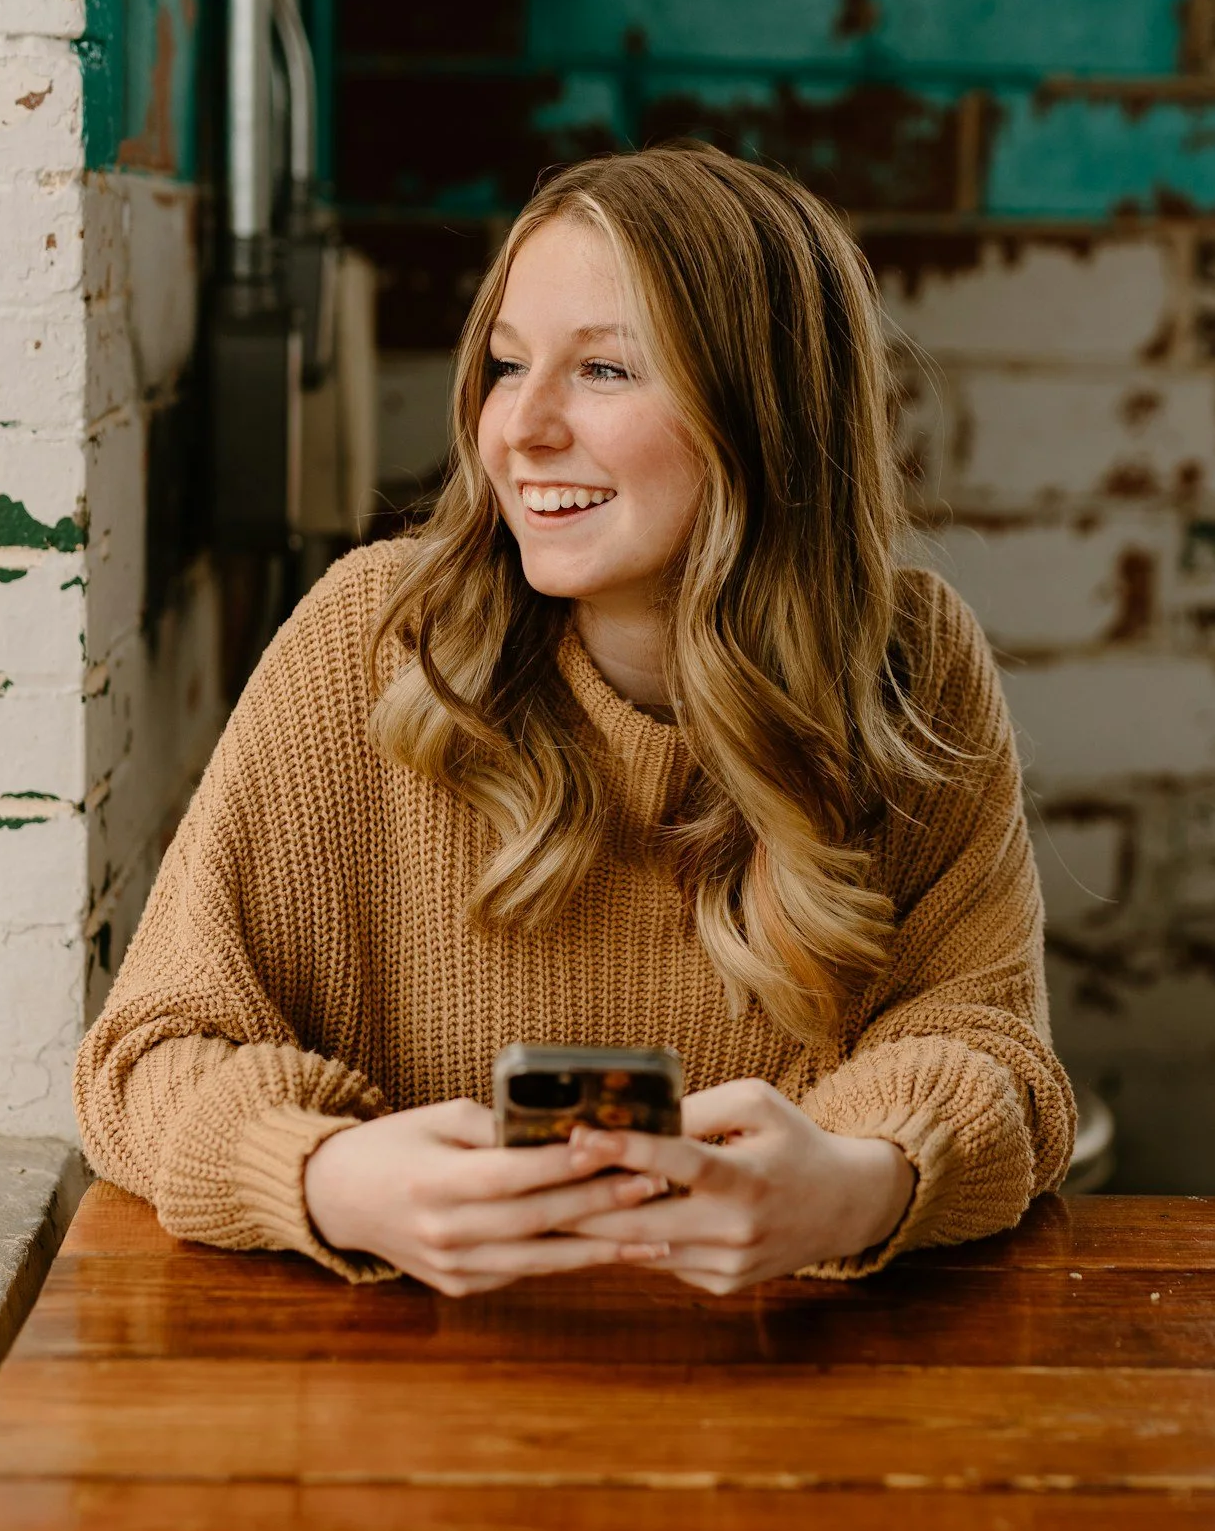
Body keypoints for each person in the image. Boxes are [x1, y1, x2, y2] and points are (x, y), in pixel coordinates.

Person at [76, 143, 1074, 1297]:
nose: (521, 428)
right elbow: (145, 1054)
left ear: (765, 412)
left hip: (784, 1389)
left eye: (603, 371)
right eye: (506, 365)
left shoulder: (909, 657)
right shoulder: (370, 635)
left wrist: (861, 1183)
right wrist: (330, 1176)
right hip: (397, 1392)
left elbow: (996, 1054)